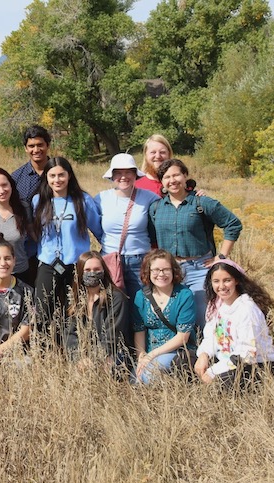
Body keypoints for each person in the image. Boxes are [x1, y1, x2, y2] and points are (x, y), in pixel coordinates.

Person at [149, 158, 242, 328]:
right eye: (167, 177)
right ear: (161, 181)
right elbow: (150, 236)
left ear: (185, 176)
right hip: (170, 270)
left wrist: (221, 257)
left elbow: (233, 224)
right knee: (175, 317)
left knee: (204, 317)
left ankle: (207, 352)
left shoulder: (201, 202)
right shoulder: (156, 208)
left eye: (176, 175)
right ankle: (185, 352)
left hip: (199, 268)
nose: (172, 180)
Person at [32, 157, 102, 331]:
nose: (57, 180)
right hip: (48, 262)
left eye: (61, 175)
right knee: (42, 312)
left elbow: (99, 231)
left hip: (76, 264)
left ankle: (75, 349)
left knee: (75, 310)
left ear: (69, 175)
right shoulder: (38, 201)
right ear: (46, 178)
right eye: (52, 175)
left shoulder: (83, 200)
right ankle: (46, 351)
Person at [194, 260, 274, 390]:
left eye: (227, 280)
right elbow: (210, 337)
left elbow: (247, 353)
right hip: (224, 360)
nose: (221, 286)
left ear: (236, 281)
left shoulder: (247, 308)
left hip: (253, 365)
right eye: (216, 281)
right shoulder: (215, 305)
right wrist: (204, 355)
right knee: (183, 360)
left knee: (222, 384)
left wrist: (212, 372)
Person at [94, 153, 159, 302]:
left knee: (141, 304)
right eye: (118, 173)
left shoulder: (149, 197)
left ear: (135, 174)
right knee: (114, 305)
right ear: (112, 176)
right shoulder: (101, 198)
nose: (123, 177)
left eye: (128, 172)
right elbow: (94, 226)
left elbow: (172, 203)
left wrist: (195, 193)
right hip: (110, 259)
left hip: (141, 260)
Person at [132, 249, 197, 384]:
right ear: (148, 272)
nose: (161, 274)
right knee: (134, 379)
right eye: (156, 270)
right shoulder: (141, 296)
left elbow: (182, 337)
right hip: (149, 352)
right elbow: (139, 330)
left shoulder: (184, 295)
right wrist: (141, 357)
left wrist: (151, 356)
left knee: (148, 377)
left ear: (174, 271)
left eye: (166, 269)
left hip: (176, 351)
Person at [63, 251, 129, 374]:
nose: (92, 273)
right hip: (83, 357)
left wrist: (94, 359)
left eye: (97, 269)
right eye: (87, 270)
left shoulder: (116, 298)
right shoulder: (75, 299)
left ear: (104, 271)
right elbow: (70, 335)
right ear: (80, 273)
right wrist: (78, 359)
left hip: (113, 354)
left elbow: (112, 337)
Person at [12, 125, 52, 285]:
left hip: (56, 246)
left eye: (40, 144)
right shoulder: (16, 178)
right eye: (31, 146)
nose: (36, 149)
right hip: (28, 250)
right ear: (25, 148)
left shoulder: (60, 173)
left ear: (47, 145)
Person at [0, 167, 32, 283]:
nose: (1, 190)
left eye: (4, 185)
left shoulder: (24, 209)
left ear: (11, 185)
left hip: (19, 272)